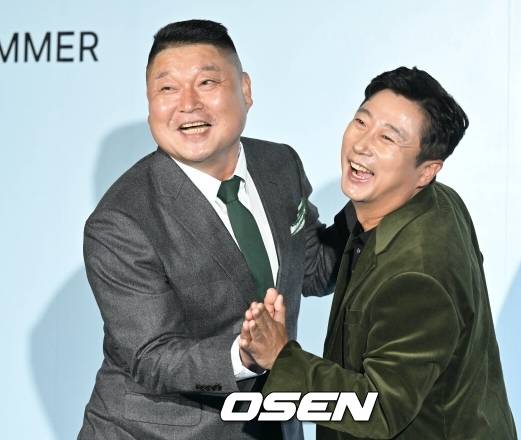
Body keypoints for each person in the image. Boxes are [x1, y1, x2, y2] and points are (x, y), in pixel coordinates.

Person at [78, 19, 350, 440]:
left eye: (207, 82)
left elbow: (312, 269)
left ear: (246, 90)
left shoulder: (280, 165)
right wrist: (244, 355)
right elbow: (152, 357)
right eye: (167, 89)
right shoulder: (120, 221)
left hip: (272, 425)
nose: (187, 104)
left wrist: (374, 202)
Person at [240, 67, 518, 439]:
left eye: (388, 137)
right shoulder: (429, 200)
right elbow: (322, 262)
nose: (362, 145)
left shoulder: (417, 274)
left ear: (426, 171)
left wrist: (281, 357)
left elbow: (381, 408)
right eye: (361, 122)